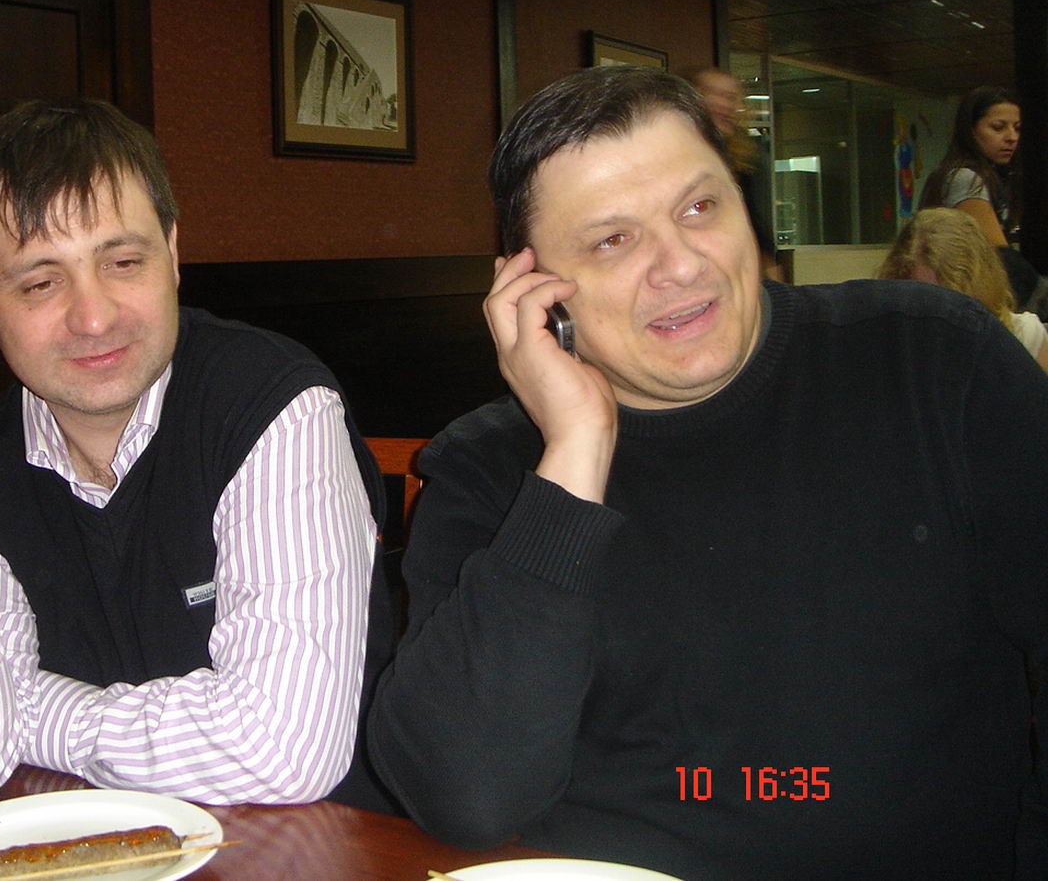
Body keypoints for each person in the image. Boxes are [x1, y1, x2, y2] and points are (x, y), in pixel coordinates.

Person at [367, 66, 1048, 880]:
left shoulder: (933, 360)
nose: (680, 264)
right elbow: (468, 798)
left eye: (699, 208)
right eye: (613, 240)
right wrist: (576, 452)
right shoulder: (490, 470)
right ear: (533, 289)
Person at [0, 98, 391, 812]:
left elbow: (282, 751)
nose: (94, 316)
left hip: (308, 844)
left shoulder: (270, 403)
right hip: (81, 844)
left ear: (172, 254)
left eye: (122, 261)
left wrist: (26, 711)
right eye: (40, 282)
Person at [878, 207, 1048, 372]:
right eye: (923, 302)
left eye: (953, 303)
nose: (940, 321)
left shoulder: (1024, 338)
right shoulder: (885, 348)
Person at [685, 66, 783, 280]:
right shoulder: (670, 157)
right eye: (712, 93)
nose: (723, 104)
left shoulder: (746, 160)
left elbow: (756, 227)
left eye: (730, 97)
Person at [918, 86, 1021, 246]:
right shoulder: (965, 178)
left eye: (1017, 128)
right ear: (971, 130)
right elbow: (997, 253)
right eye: (998, 127)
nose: (1012, 137)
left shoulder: (999, 176)